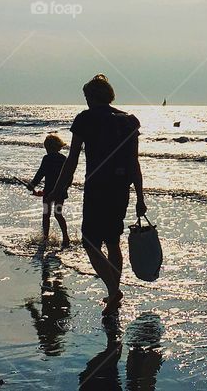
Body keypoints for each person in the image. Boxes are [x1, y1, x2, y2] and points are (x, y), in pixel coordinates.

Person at [49, 74, 147, 316]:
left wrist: (59, 188)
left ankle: (114, 291)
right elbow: (134, 163)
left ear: (92, 97)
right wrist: (140, 197)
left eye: (86, 97)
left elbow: (72, 160)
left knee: (90, 242)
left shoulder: (85, 119)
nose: (86, 101)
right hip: (121, 189)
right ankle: (114, 293)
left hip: (97, 188)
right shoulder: (129, 121)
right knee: (113, 242)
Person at [28, 133, 70, 249]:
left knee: (46, 214)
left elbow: (40, 173)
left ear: (49, 148)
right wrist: (66, 187)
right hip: (60, 192)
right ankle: (66, 237)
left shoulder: (47, 159)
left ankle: (45, 238)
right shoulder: (63, 159)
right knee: (58, 214)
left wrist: (32, 185)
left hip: (48, 192)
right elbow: (69, 175)